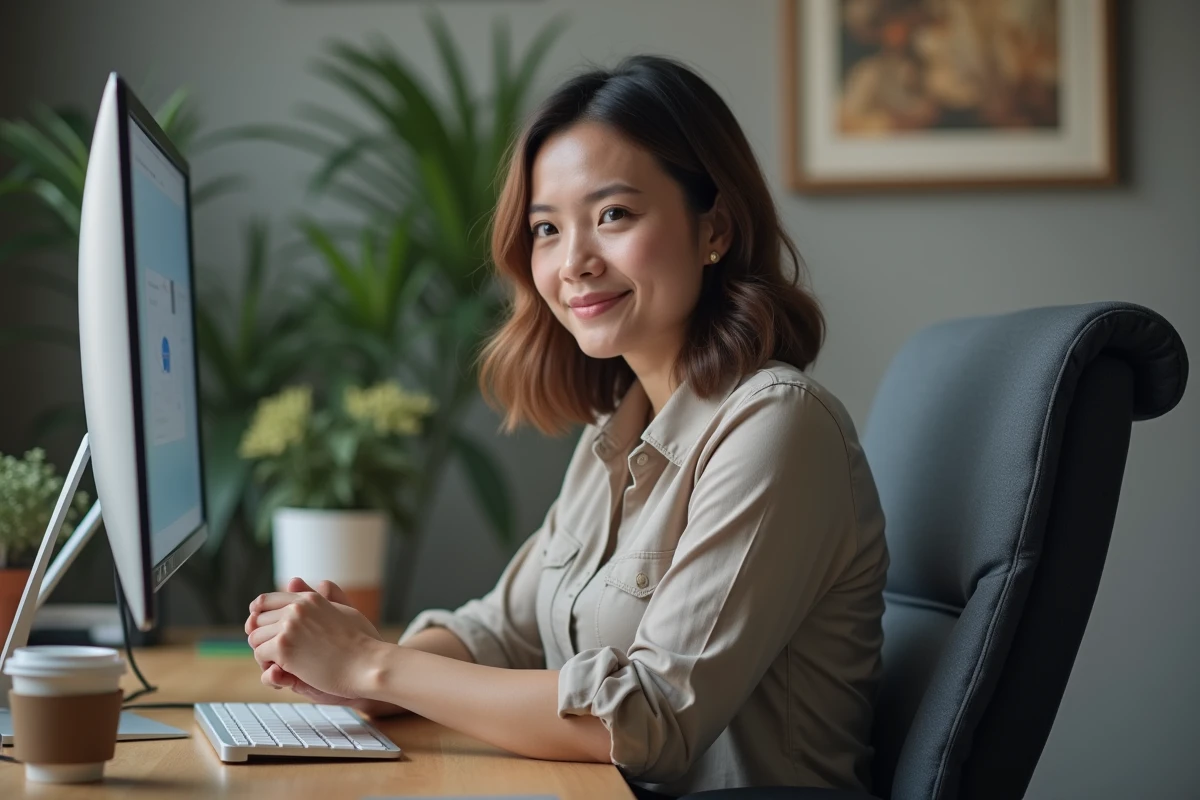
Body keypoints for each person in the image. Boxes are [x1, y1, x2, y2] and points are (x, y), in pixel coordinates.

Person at [245, 55, 889, 798]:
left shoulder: (778, 427)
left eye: (613, 214)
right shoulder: (618, 431)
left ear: (714, 228)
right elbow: (502, 631)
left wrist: (373, 665)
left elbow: (650, 720)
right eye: (547, 228)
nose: (574, 261)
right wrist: (356, 671)